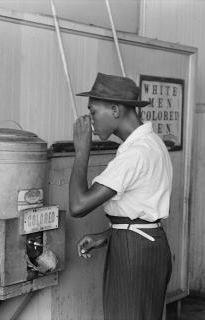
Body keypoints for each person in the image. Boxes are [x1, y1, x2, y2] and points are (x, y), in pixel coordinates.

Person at [69, 72, 173, 320]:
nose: (91, 121)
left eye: (93, 112)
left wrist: (82, 151)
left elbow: (78, 205)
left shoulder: (136, 153)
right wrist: (107, 237)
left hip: (134, 253)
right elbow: (141, 212)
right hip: (146, 243)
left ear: (115, 110)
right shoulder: (152, 143)